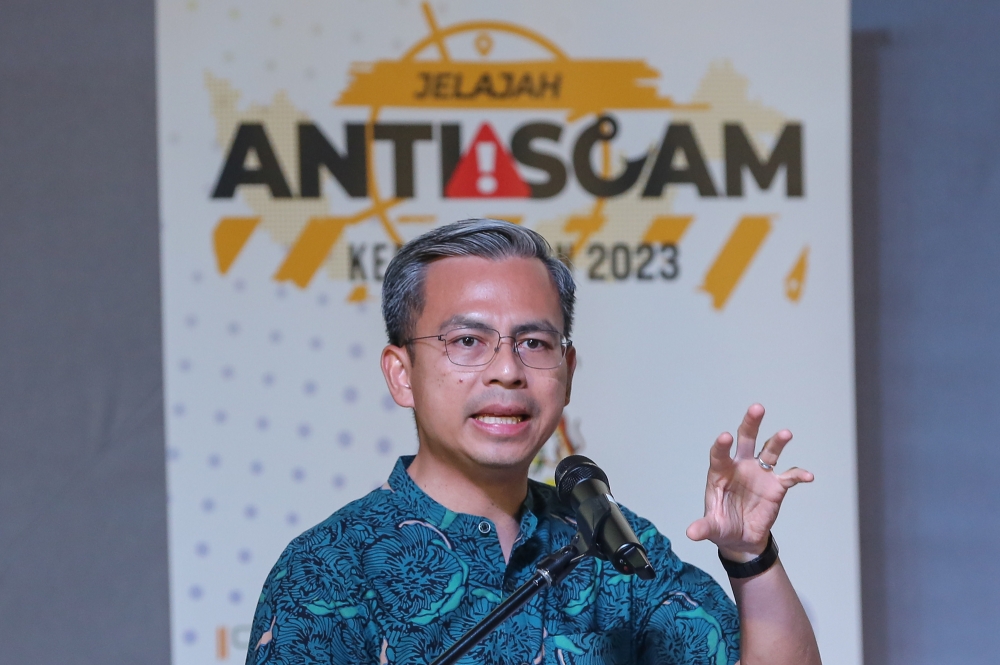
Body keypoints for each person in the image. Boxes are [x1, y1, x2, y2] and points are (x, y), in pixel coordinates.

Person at [245, 219, 821, 665]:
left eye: (534, 344)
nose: (507, 372)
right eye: (467, 341)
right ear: (402, 374)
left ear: (566, 371)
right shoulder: (328, 568)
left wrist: (750, 557)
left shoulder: (615, 549)